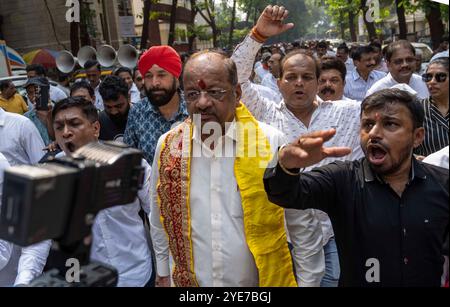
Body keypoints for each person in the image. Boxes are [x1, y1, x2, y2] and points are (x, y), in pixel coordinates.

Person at [150, 50, 324, 287]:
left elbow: (301, 225)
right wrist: (163, 272)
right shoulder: (169, 146)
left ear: (238, 93)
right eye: (193, 94)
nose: (202, 102)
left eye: (215, 92)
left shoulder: (270, 142)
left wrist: (309, 284)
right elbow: (159, 217)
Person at [232, 5, 368, 287]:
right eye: (291, 77)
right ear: (277, 82)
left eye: (307, 77)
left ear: (319, 82)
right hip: (283, 236)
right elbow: (235, 76)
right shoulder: (265, 112)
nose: (299, 83)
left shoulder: (347, 113)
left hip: (336, 232)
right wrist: (258, 36)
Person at [264, 88, 449, 287]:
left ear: (418, 136)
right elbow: (285, 194)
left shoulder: (443, 183)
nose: (374, 133)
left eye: (390, 124)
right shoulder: (342, 179)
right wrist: (286, 165)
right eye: (368, 124)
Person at [52, 97, 154, 287]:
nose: (66, 133)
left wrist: (165, 267)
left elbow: (157, 216)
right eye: (59, 127)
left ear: (96, 129)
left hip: (137, 275)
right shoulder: (50, 176)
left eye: (74, 124)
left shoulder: (130, 164)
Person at [123, 45, 188, 164]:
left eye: (161, 75)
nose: (154, 83)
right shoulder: (137, 112)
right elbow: (129, 161)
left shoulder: (193, 109)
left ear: (176, 78)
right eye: (148, 76)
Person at [415, 57, 449, 157]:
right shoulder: (417, 109)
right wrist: (417, 159)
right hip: (429, 171)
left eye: (440, 77)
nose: (432, 82)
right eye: (428, 77)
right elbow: (404, 148)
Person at [98, 75, 131, 142]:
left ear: (128, 97)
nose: (114, 112)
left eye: (119, 106)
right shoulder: (99, 121)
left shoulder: (141, 117)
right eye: (108, 107)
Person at [23, 77, 54, 146]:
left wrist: (49, 117)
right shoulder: (25, 118)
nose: (34, 95)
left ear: (47, 92)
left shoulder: (60, 111)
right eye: (30, 93)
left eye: (38, 91)